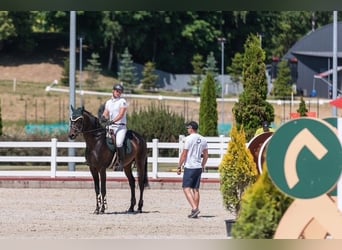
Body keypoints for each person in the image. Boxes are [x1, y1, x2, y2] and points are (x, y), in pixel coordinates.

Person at [177, 121, 208, 219]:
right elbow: (206, 155)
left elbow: (184, 154)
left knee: (186, 188)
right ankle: (195, 210)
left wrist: (179, 166)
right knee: (196, 189)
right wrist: (203, 164)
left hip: (190, 166)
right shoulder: (203, 139)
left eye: (188, 128)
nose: (187, 130)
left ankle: (194, 208)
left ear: (191, 128)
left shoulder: (188, 139)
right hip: (198, 166)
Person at [101, 83, 128, 171]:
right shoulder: (108, 102)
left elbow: (121, 114)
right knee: (101, 139)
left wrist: (112, 121)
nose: (118, 93)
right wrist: (103, 117)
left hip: (120, 127)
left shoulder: (122, 101)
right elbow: (106, 112)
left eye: (120, 92)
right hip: (111, 126)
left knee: (119, 143)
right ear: (113, 91)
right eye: (117, 91)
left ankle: (121, 162)